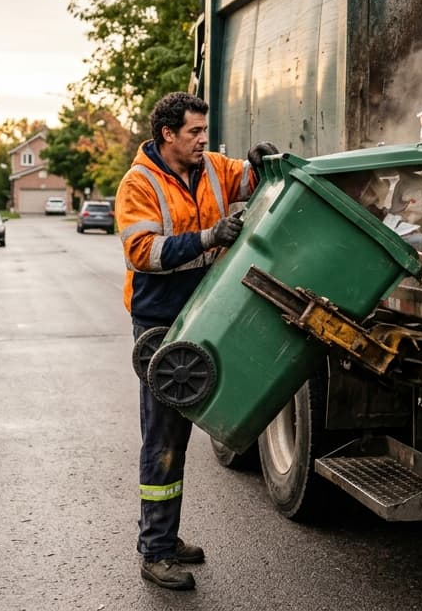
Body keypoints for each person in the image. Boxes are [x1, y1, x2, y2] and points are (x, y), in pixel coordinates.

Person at [116, 91, 278, 591]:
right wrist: (209, 237)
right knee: (163, 438)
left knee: (181, 434)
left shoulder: (210, 167)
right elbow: (143, 252)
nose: (203, 139)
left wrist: (260, 163)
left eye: (204, 131)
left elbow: (249, 179)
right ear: (168, 134)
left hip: (203, 312)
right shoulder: (138, 184)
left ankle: (162, 535)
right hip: (161, 324)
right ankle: (156, 551)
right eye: (194, 132)